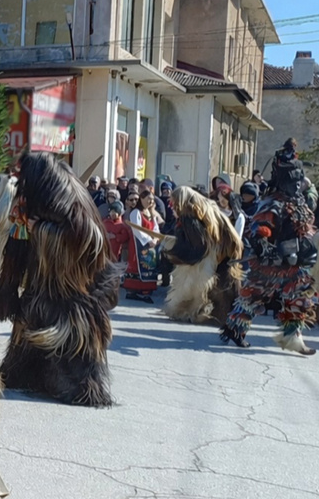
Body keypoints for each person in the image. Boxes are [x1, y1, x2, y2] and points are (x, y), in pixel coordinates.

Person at [0, 152, 117, 407]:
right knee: (29, 331)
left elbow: (88, 241)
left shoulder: (70, 197)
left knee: (69, 345)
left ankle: (80, 387)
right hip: (42, 285)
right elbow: (18, 241)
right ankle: (23, 374)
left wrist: (41, 231)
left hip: (75, 292)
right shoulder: (35, 197)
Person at [222, 139, 318, 355]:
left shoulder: (298, 201)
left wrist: (309, 188)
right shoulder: (272, 203)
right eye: (293, 181)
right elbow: (258, 231)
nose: (297, 185)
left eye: (299, 181)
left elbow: (311, 202)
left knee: (299, 299)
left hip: (294, 264)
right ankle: (234, 330)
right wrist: (265, 245)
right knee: (251, 299)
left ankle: (294, 339)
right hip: (270, 265)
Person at [162, 187, 244, 325]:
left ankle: (196, 312)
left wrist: (174, 248)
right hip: (222, 250)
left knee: (200, 283)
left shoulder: (190, 214)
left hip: (218, 251)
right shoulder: (202, 208)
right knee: (222, 284)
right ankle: (225, 315)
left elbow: (198, 246)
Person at [123, 190, 163, 303]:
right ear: (142, 199)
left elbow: (156, 229)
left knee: (149, 265)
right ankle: (133, 291)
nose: (150, 202)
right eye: (148, 199)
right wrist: (148, 240)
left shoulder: (151, 214)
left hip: (151, 245)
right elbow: (136, 229)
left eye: (152, 200)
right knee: (137, 265)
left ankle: (146, 291)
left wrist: (155, 239)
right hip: (139, 243)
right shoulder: (136, 212)